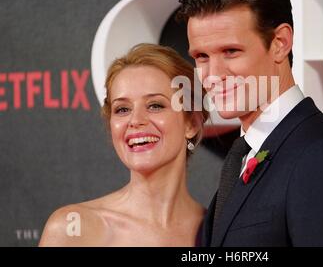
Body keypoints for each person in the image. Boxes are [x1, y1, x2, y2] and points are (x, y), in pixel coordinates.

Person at [177, 0, 323, 246]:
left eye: (231, 51)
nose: (213, 75)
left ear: (280, 43)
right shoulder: (246, 153)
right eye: (201, 56)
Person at [39, 44, 209, 246]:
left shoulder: (218, 232)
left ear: (191, 122)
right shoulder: (73, 229)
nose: (135, 120)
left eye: (155, 105)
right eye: (122, 109)